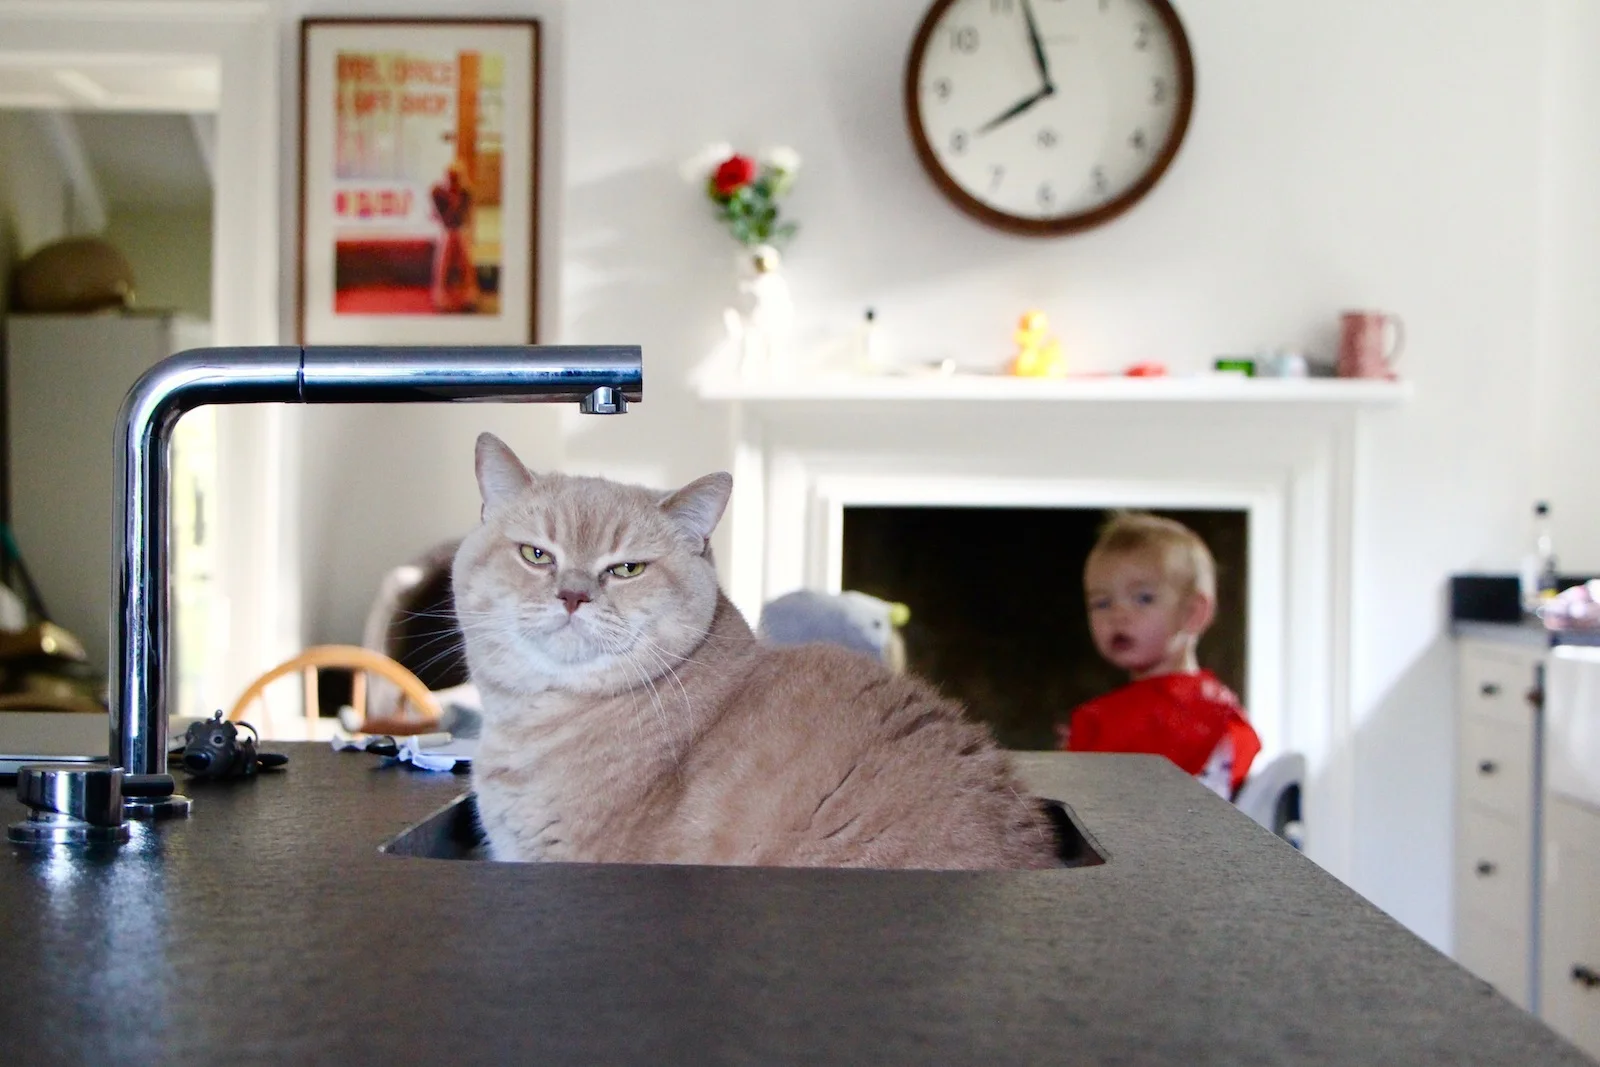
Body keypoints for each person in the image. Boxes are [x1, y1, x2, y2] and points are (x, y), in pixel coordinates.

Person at [1055, 512, 1261, 798]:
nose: (1118, 615)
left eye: (1143, 598)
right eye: (1102, 603)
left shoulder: (1186, 712)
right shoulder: (1223, 707)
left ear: (1193, 613)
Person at [429, 159, 479, 313]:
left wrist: (471, 233)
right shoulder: (438, 192)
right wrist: (453, 200)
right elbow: (444, 217)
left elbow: (466, 215)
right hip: (446, 230)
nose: (453, 180)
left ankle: (469, 295)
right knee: (444, 261)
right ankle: (442, 296)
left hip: (460, 230)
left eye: (456, 177)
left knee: (466, 262)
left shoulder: (466, 192)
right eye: (451, 177)